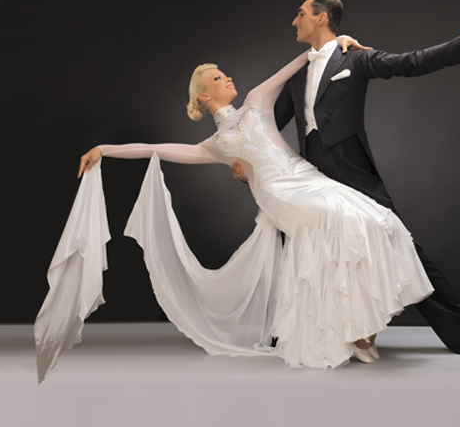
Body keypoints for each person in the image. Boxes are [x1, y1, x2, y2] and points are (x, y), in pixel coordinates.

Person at [34, 36, 435, 382]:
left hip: (308, 177)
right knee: (329, 219)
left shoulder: (257, 101)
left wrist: (339, 41)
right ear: (204, 97)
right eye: (216, 78)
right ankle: (348, 330)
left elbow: (302, 60)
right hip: (278, 193)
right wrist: (104, 149)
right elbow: (153, 149)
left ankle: (362, 325)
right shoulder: (213, 146)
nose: (227, 78)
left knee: (374, 217)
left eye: (224, 74)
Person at [232, 0, 460, 358]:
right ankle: (284, 332)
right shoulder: (298, 73)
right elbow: (270, 123)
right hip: (309, 174)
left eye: (300, 14)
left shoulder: (355, 58)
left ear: (321, 18)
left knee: (401, 246)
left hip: (352, 169)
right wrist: (244, 156)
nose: (294, 21)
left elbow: (410, 62)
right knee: (296, 248)